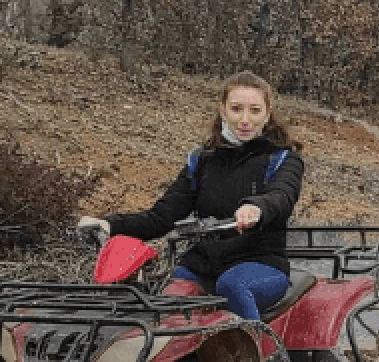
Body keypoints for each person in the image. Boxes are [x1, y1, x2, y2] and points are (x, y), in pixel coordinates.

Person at [78, 70, 304, 321]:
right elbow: (161, 217)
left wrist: (256, 208)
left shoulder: (283, 159)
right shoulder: (202, 161)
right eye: (237, 109)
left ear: (267, 113)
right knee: (165, 304)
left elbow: (282, 195)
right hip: (203, 266)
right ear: (223, 110)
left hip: (260, 263)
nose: (244, 119)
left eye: (254, 110)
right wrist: (109, 225)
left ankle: (259, 357)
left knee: (232, 287)